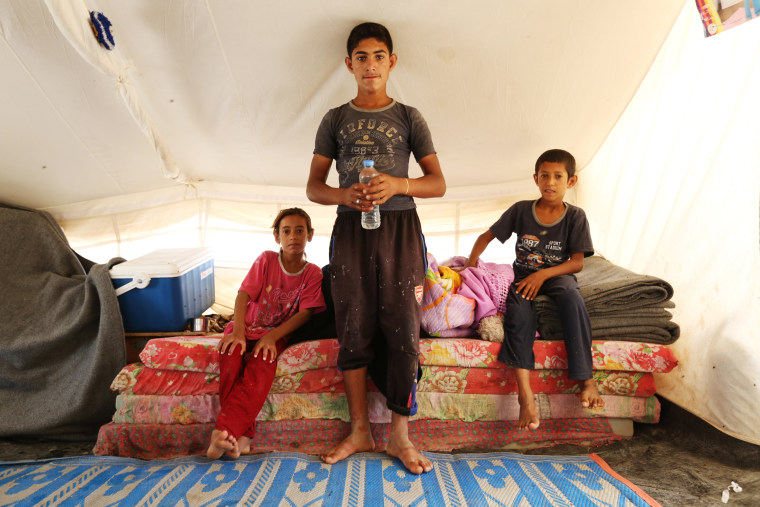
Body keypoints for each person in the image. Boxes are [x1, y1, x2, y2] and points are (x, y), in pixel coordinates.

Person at [306, 22, 446, 474]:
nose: (370, 65)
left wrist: (398, 184)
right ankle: (360, 430)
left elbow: (438, 184)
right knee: (353, 325)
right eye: (361, 57)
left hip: (401, 229)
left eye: (379, 56)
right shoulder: (334, 119)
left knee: (404, 327)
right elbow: (313, 187)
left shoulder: (409, 116)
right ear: (349, 64)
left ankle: (400, 438)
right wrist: (344, 194)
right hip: (350, 229)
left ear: (392, 62)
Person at [463, 149, 604, 431]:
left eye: (558, 176)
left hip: (557, 274)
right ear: (535, 179)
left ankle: (587, 381)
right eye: (544, 176)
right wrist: (469, 266)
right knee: (518, 319)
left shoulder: (575, 216)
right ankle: (526, 397)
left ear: (571, 181)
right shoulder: (520, 210)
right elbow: (485, 236)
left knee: (572, 299)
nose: (550, 182)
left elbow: (576, 264)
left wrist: (543, 275)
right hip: (523, 276)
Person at [206, 207, 326, 459]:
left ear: (310, 235)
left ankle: (223, 433)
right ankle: (243, 436)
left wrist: (271, 337)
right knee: (230, 358)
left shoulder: (313, 273)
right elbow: (243, 294)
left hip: (276, 333)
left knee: (262, 364)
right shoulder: (267, 259)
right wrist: (238, 332)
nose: (293, 236)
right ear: (276, 236)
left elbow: (305, 313)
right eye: (286, 231)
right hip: (246, 327)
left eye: (300, 230)